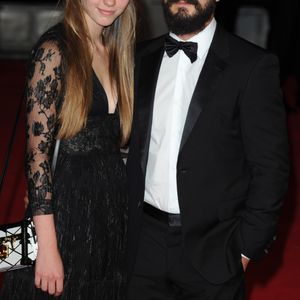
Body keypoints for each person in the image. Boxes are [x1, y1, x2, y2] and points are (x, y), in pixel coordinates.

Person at [126, 0, 289, 299]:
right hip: (142, 247)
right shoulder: (139, 57)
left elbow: (271, 168)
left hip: (215, 248)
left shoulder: (251, 65)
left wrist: (246, 247)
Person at [1, 0, 136, 299]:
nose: (110, 2)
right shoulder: (54, 50)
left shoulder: (120, 52)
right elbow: (37, 158)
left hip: (110, 218)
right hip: (65, 218)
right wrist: (48, 249)